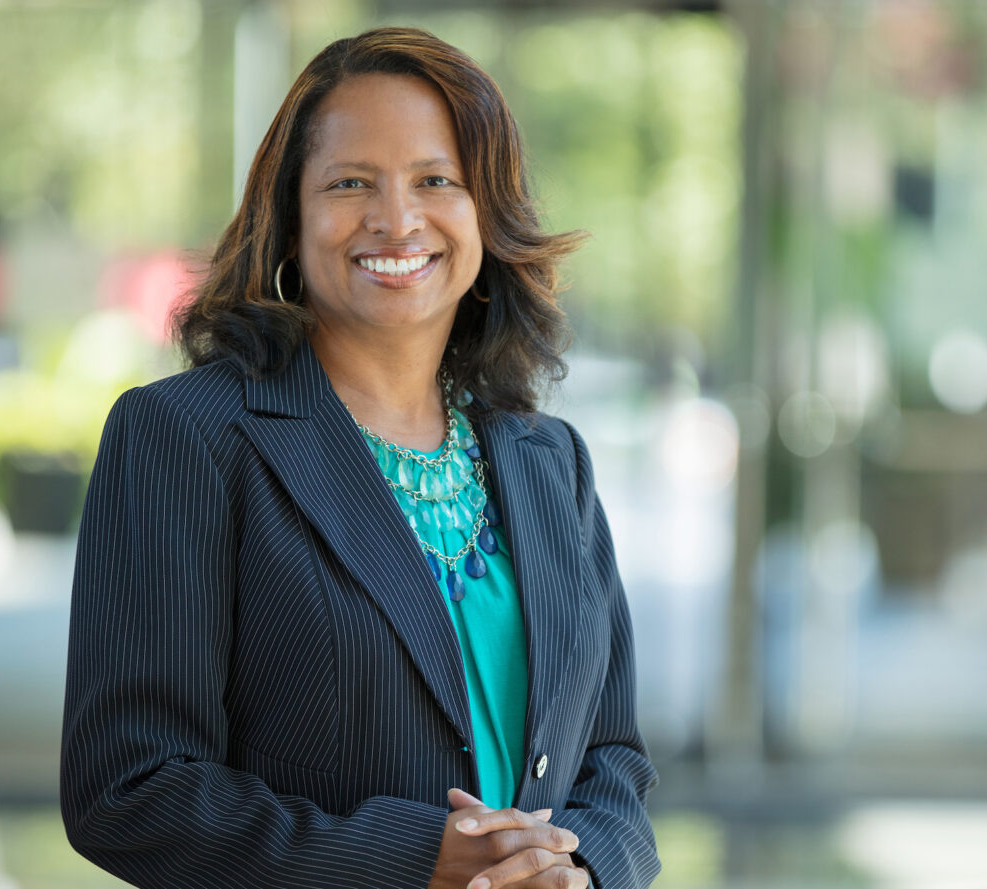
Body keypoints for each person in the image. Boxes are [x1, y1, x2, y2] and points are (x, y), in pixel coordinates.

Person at [59, 25, 661, 889]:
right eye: (350, 183)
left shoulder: (549, 460)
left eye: (435, 181)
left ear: (484, 216)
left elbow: (614, 759)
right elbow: (127, 787)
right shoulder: (185, 438)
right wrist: (413, 859)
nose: (396, 219)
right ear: (291, 217)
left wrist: (582, 871)